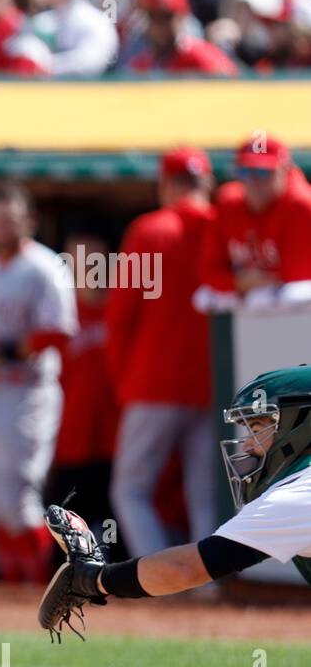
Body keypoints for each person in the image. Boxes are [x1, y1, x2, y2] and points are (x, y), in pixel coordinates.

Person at [41, 366, 311, 636]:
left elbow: (185, 568)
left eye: (257, 428)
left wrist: (95, 579)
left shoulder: (296, 496)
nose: (247, 447)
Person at [0, 185, 77, 583]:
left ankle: (44, 589)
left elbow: (59, 331)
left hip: (27, 394)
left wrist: (2, 354)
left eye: (12, 218)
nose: (4, 226)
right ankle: (11, 594)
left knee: (21, 500)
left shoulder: (45, 266)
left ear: (30, 221)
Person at [107, 148, 217, 557]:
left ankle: (156, 581)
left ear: (166, 184)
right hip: (213, 385)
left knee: (131, 490)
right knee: (206, 496)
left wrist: (123, 383)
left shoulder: (149, 230)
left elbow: (119, 316)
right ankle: (210, 586)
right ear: (206, 183)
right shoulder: (222, 225)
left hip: (151, 385)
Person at [50, 231, 121, 560]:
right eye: (78, 262)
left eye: (96, 261)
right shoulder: (58, 314)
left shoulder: (120, 308)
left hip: (116, 445)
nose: (88, 269)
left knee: (115, 542)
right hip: (70, 446)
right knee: (64, 547)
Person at [196, 136, 311, 312]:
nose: (253, 181)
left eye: (263, 172)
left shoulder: (301, 205)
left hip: (300, 316)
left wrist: (247, 282)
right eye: (245, 172)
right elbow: (208, 272)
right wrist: (239, 282)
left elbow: (296, 276)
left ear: (285, 170)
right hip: (253, 310)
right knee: (204, 297)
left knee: (291, 294)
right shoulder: (228, 204)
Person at [127, 0, 238, 75]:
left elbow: (233, 84)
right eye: (154, 17)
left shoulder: (200, 55)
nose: (160, 26)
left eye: (167, 17)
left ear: (182, 18)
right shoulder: (142, 64)